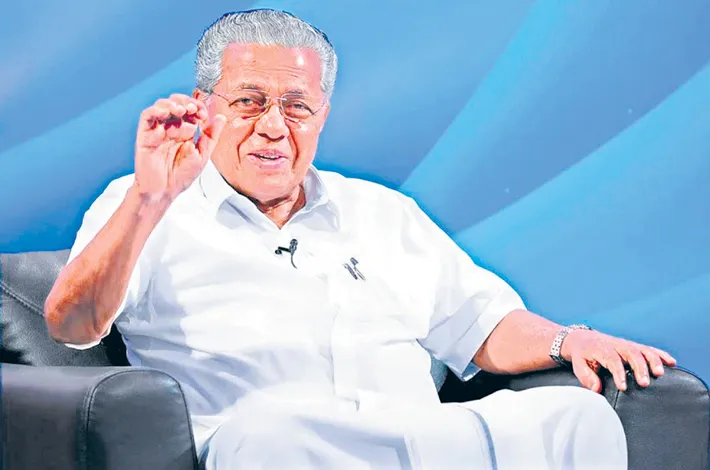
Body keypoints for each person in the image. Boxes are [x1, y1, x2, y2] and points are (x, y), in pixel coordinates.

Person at [44, 9, 675, 470]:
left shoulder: (382, 211)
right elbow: (72, 324)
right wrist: (150, 199)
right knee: (271, 429)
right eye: (250, 101)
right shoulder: (146, 202)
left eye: (297, 106)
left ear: (322, 115)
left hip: (420, 440)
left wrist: (569, 340)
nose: (274, 127)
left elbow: (482, 326)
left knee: (575, 416)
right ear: (205, 107)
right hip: (278, 445)